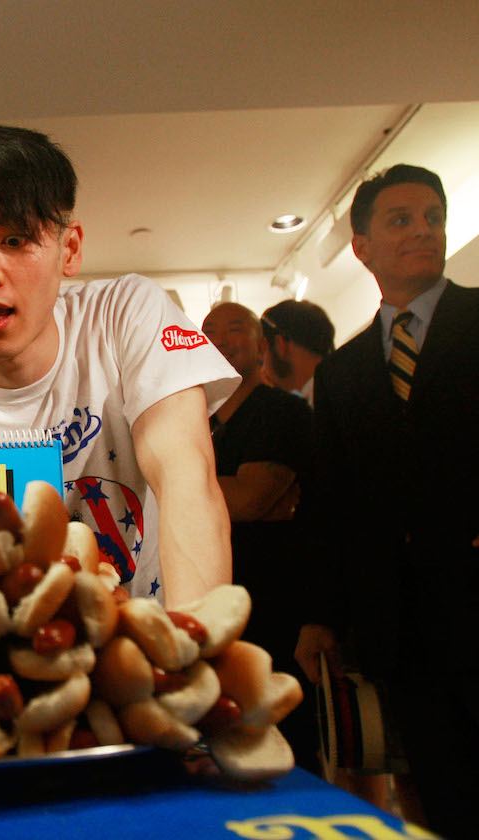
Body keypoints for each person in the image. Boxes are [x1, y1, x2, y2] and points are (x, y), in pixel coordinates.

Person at [0, 124, 238, 607]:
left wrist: (196, 646)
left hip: (151, 646)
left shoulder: (125, 315)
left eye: (15, 239)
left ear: (71, 249)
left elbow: (187, 474)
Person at [295, 164, 479, 838]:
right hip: (401, 624)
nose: (423, 230)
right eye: (400, 219)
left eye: (432, 216)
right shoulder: (342, 372)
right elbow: (332, 500)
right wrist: (321, 615)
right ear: (362, 246)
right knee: (442, 788)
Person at [201, 302, 318, 773]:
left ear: (263, 347)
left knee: (285, 743)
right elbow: (246, 500)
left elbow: (250, 499)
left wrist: (181, 487)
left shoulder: (282, 411)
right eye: (208, 331)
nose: (220, 339)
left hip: (276, 605)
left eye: (236, 330)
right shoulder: (198, 423)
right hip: (214, 602)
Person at [259, 300, 335, 406]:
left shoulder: (315, 407)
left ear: (281, 345)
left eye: (263, 352)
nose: (263, 370)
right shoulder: (342, 388)